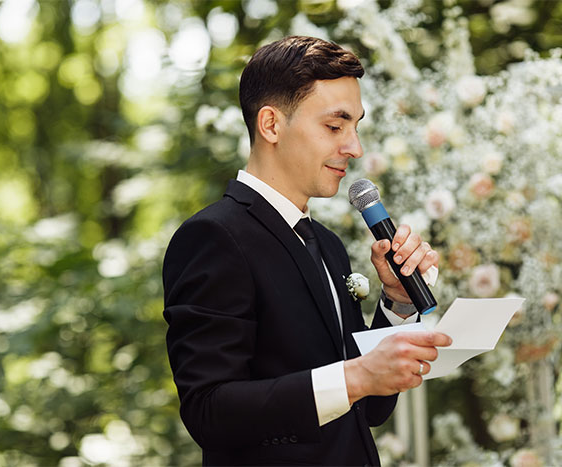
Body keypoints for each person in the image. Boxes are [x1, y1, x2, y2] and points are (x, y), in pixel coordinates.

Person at [163, 36, 451, 466]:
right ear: (271, 125)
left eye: (356, 127)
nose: (355, 147)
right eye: (335, 127)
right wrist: (356, 377)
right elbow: (209, 410)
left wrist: (397, 302)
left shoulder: (329, 245)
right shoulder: (213, 236)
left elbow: (368, 408)